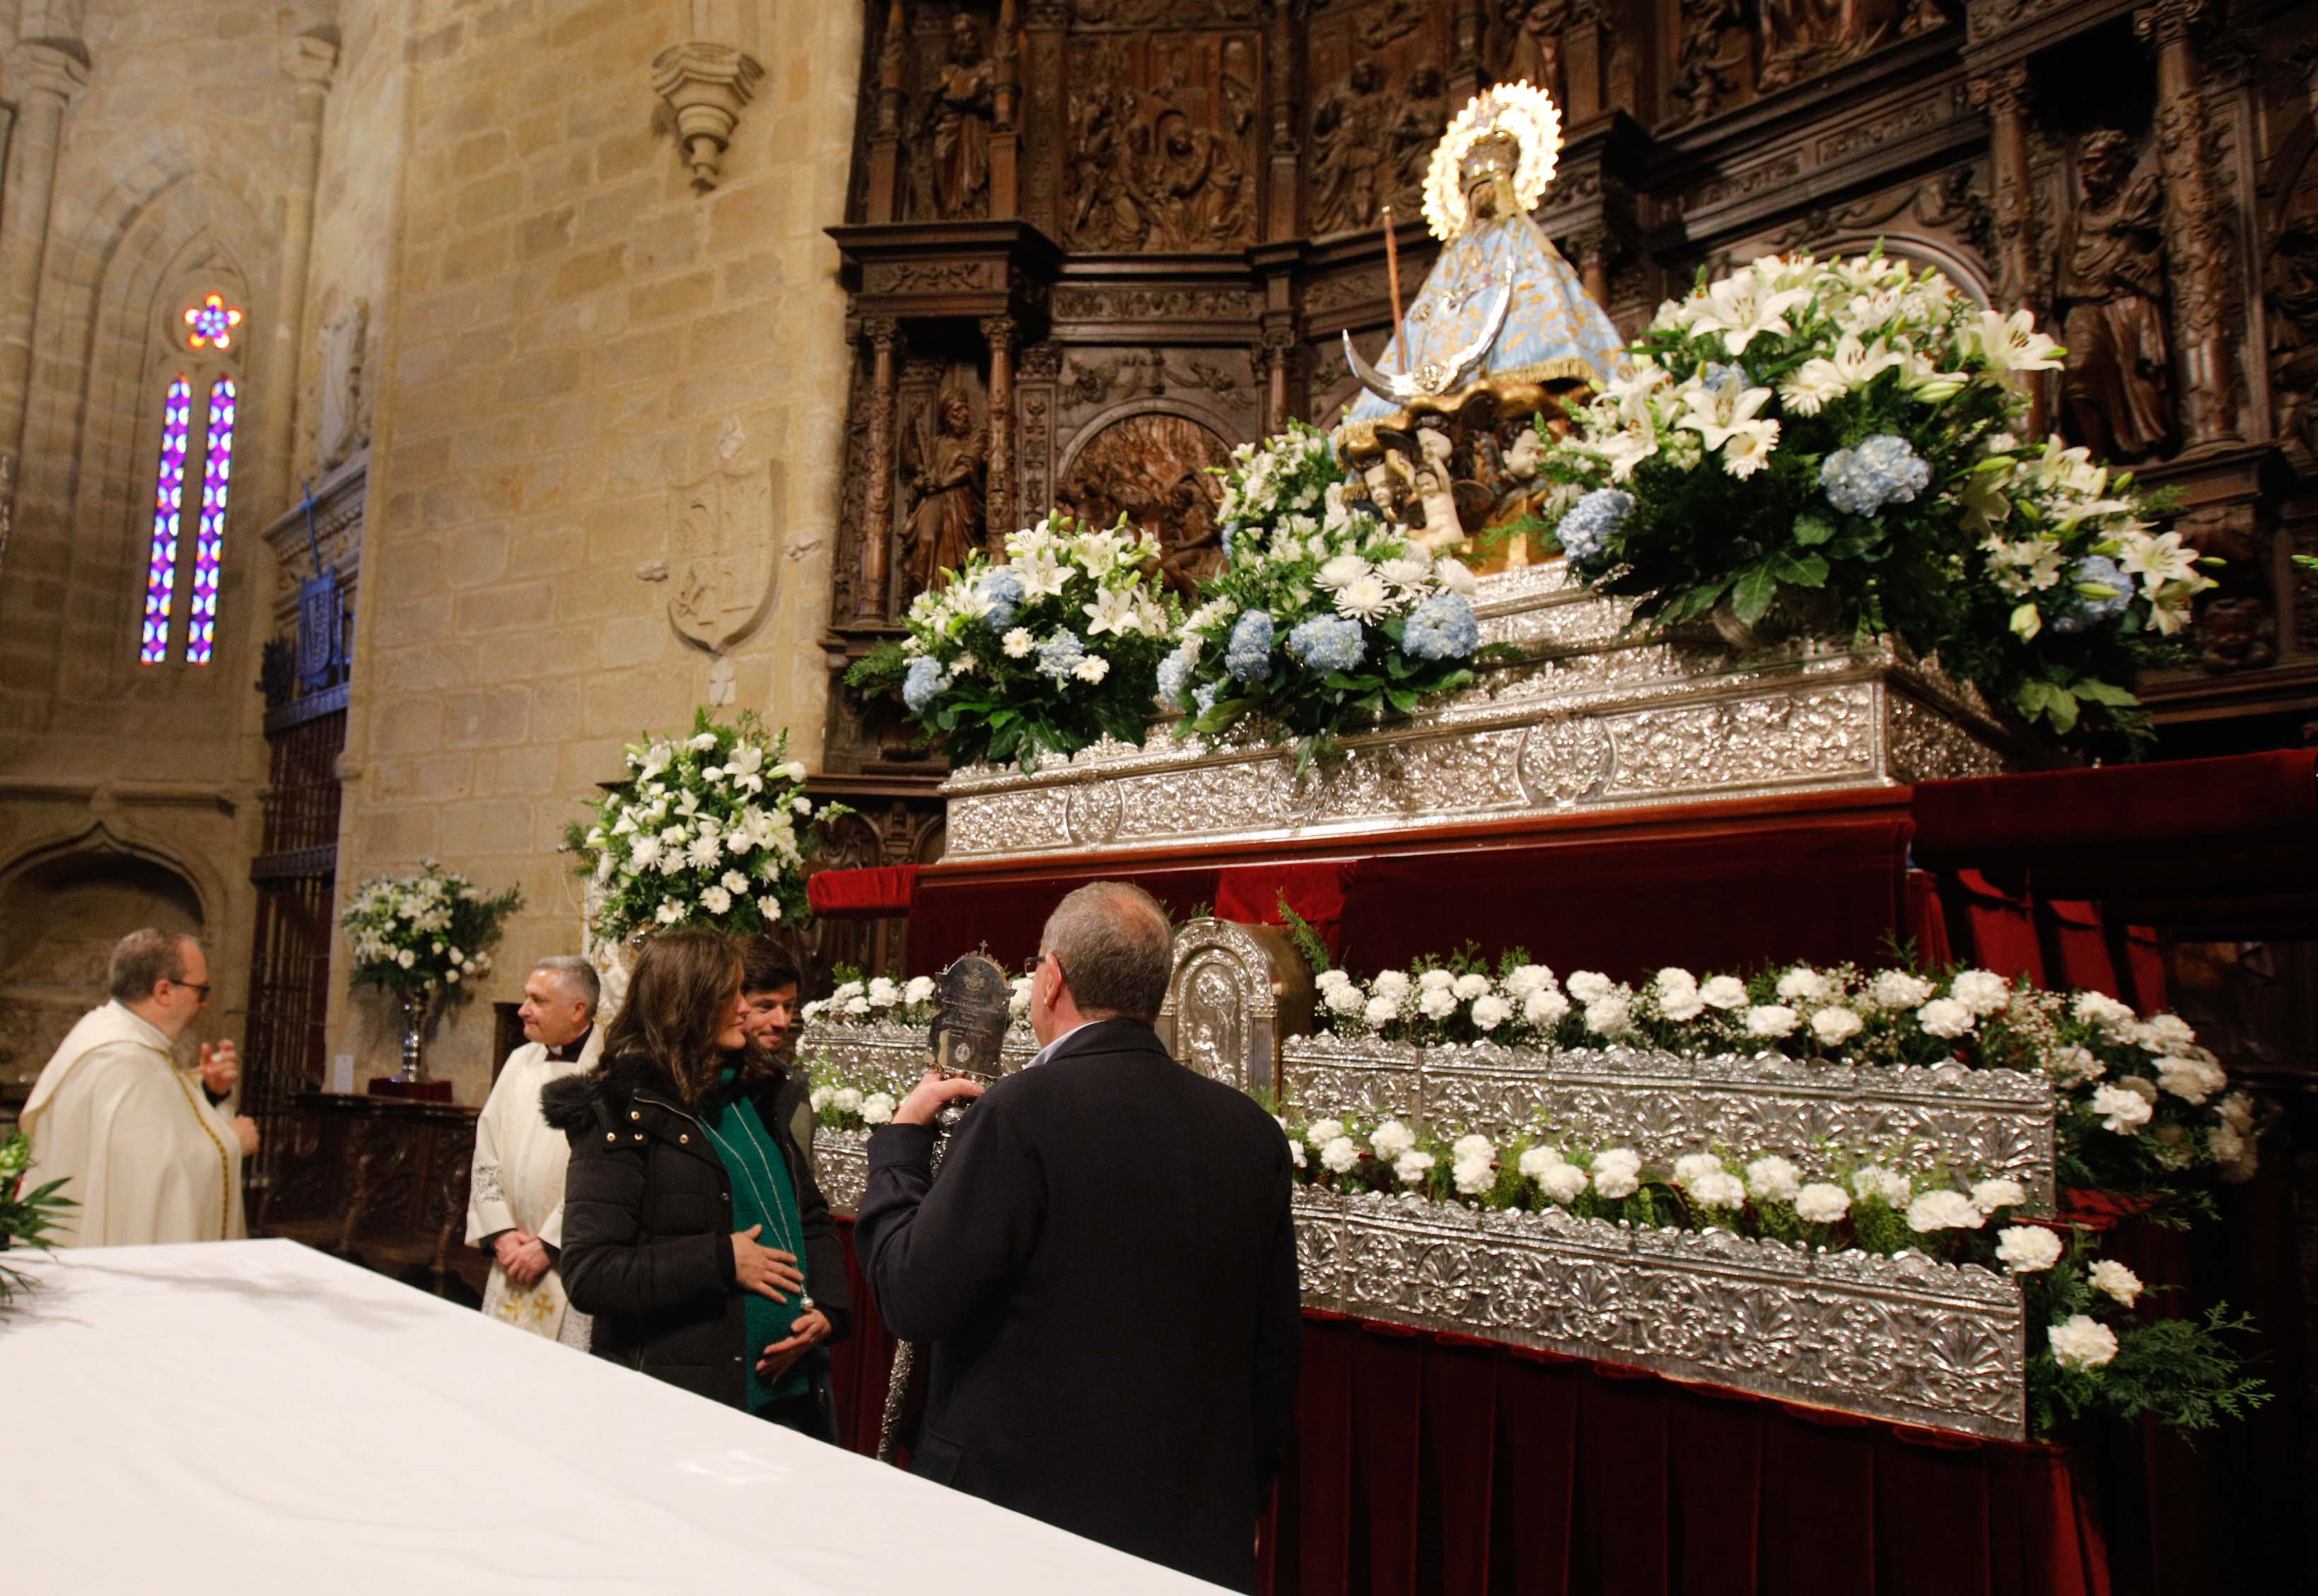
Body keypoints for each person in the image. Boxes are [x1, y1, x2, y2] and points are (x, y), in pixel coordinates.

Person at [855, 882, 1301, 1592]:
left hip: (1023, 1527)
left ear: (1052, 977)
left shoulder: (1023, 1111)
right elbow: (1274, 1350)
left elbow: (912, 1293)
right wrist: (1239, 1497)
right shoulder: (1247, 1130)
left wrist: (901, 1147)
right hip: (1186, 1527)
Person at [544, 930, 849, 1438]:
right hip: (685, 1407)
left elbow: (810, 1215)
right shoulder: (624, 1111)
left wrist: (826, 1308)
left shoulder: (755, 1095)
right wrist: (722, 1259)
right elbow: (591, 1271)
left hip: (792, 1398)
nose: (744, 1009)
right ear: (686, 1004)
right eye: (730, 995)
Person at [21, 929, 258, 1247]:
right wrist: (230, 1144)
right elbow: (147, 1179)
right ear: (163, 991)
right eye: (201, 990)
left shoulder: (109, 1038)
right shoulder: (123, 1061)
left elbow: (150, 1140)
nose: (205, 1003)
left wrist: (211, 1093)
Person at [465, 955, 602, 1346]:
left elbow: (601, 1173)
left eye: (538, 1001)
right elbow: (486, 1151)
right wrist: (502, 1233)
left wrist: (549, 1245)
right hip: (511, 1260)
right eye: (527, 998)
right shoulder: (517, 1062)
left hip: (568, 1264)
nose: (523, 1010)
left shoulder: (608, 1068)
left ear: (578, 1010)